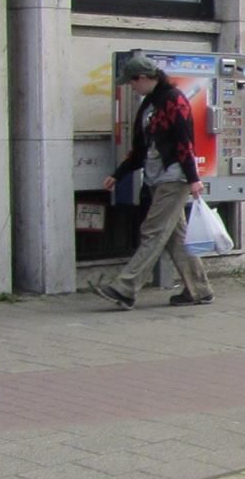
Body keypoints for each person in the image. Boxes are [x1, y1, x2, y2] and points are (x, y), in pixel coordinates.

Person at [90, 54, 213, 310]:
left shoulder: (173, 100)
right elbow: (140, 149)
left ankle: (125, 288)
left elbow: (184, 141)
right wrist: (118, 174)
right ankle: (199, 290)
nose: (131, 86)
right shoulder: (149, 104)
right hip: (159, 177)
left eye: (132, 81)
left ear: (145, 78)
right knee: (176, 237)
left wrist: (192, 178)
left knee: (153, 230)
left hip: (174, 177)